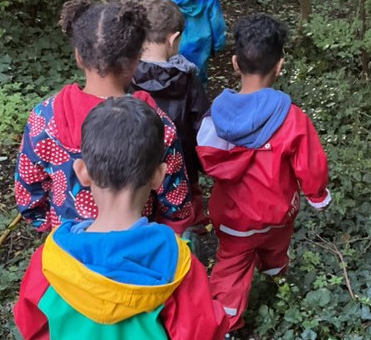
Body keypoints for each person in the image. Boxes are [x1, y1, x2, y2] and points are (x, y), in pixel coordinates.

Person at [13, 97, 229, 339]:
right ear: (159, 177)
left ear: (82, 172)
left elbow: (31, 326)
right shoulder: (178, 264)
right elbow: (202, 332)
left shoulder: (48, 261)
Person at [196, 14, 331, 332]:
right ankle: (277, 276)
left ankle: (226, 323)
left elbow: (206, 157)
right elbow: (310, 166)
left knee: (230, 267)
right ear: (280, 66)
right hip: (277, 214)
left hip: (232, 220)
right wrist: (317, 195)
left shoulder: (215, 118)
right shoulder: (293, 119)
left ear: (234, 63)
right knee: (274, 248)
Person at [14, 0, 192, 235]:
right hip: (137, 252)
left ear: (78, 56)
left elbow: (29, 192)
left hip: (68, 253)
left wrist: (53, 229)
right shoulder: (156, 124)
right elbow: (175, 200)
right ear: (135, 60)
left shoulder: (44, 119)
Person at [129, 0, 210, 230]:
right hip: (183, 166)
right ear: (173, 38)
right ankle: (186, 237)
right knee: (186, 207)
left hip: (135, 168)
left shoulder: (126, 75)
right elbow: (202, 126)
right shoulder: (187, 79)